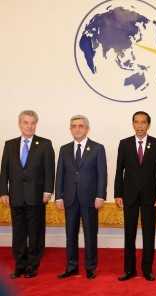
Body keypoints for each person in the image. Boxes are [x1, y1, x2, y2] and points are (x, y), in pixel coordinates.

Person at [0, 110, 55, 279]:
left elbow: (49, 170)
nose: (29, 126)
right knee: (19, 232)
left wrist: (48, 190)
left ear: (35, 125)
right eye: (26, 122)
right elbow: (4, 171)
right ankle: (20, 265)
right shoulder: (10, 145)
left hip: (37, 196)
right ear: (20, 124)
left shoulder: (45, 144)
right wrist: (3, 191)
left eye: (32, 123)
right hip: (16, 196)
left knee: (35, 232)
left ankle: (32, 265)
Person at [114, 111, 156, 281]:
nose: (140, 125)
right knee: (129, 234)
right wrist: (118, 193)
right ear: (133, 124)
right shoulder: (124, 143)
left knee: (149, 234)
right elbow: (119, 171)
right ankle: (129, 270)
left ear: (148, 125)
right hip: (128, 196)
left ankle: (147, 269)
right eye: (137, 122)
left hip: (150, 197)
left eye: (143, 122)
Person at [55, 115, 107, 280]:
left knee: (90, 234)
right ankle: (71, 267)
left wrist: (100, 195)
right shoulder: (64, 149)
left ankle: (90, 267)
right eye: (74, 126)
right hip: (69, 199)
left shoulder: (98, 148)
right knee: (70, 234)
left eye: (80, 126)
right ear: (70, 129)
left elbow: (102, 175)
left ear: (87, 129)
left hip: (90, 199)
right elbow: (60, 174)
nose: (77, 129)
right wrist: (58, 196)